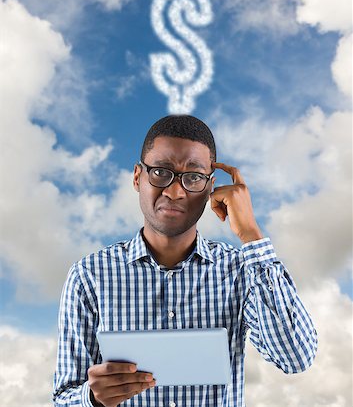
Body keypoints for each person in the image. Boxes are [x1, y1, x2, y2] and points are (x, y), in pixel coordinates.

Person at [53, 115, 317, 407]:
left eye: (193, 177)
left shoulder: (241, 271)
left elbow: (295, 357)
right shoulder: (89, 275)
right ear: (138, 177)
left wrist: (252, 237)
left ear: (210, 188)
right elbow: (64, 396)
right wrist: (91, 397)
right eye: (161, 172)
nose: (175, 191)